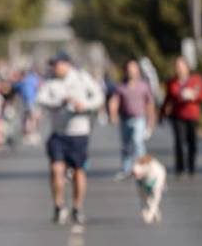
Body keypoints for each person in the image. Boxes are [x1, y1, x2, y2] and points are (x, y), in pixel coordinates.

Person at [37, 52, 105, 226]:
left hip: (79, 132)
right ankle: (59, 206)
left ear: (67, 64)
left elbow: (98, 96)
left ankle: (77, 207)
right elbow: (40, 99)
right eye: (53, 65)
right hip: (58, 133)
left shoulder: (82, 78)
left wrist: (85, 105)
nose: (55, 68)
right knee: (56, 169)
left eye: (57, 64)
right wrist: (59, 101)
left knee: (78, 172)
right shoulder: (51, 82)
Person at [161, 56, 202, 177]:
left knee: (192, 141)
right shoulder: (172, 82)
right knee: (179, 140)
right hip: (178, 115)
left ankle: (191, 166)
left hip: (192, 115)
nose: (179, 69)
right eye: (177, 67)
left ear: (187, 67)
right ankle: (180, 167)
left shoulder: (196, 80)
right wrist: (162, 112)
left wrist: (193, 96)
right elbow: (168, 98)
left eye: (181, 66)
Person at [108, 59, 156, 179]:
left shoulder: (144, 86)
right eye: (129, 70)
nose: (131, 72)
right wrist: (113, 115)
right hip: (125, 119)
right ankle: (127, 169)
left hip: (139, 118)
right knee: (126, 145)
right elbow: (114, 101)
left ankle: (143, 167)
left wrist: (150, 123)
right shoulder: (121, 87)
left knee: (137, 141)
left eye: (133, 69)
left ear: (138, 71)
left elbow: (150, 104)